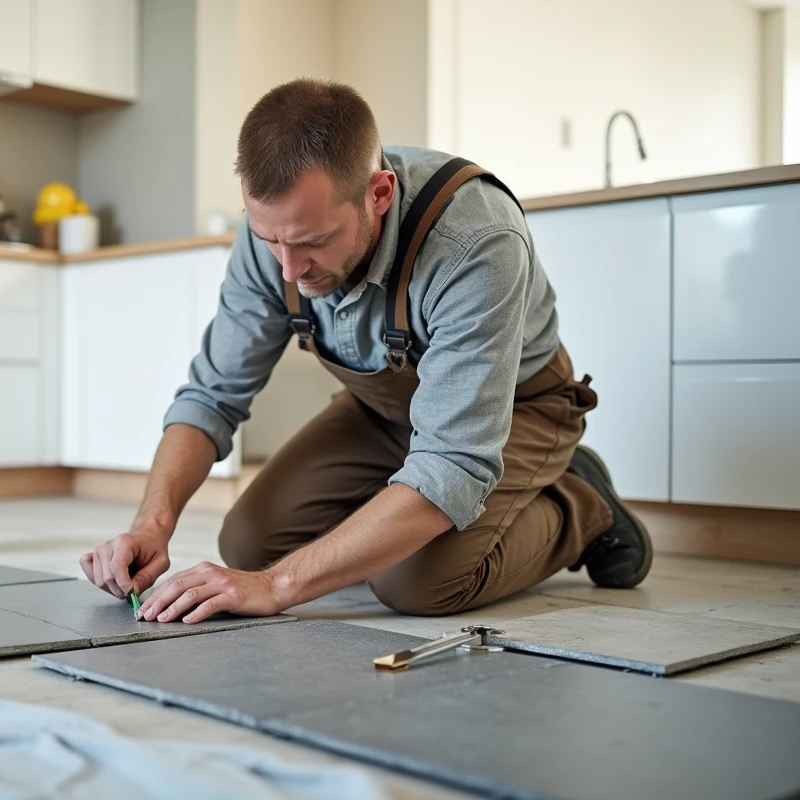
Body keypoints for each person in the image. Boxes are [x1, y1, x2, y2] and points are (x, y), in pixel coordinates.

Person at [80, 77, 651, 625]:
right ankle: (403, 507)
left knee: (417, 582)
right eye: (269, 239)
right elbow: (212, 395)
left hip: (515, 412)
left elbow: (452, 461)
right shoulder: (278, 232)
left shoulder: (476, 240)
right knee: (249, 543)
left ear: (379, 195)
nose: (288, 269)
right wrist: (151, 525)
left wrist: (278, 585)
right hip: (384, 411)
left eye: (313, 242)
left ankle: (582, 506)